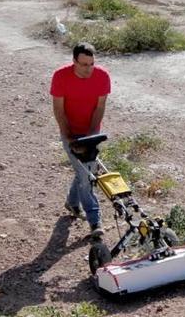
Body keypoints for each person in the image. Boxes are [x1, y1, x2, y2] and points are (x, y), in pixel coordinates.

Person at [50, 42, 111, 237]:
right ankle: (95, 221)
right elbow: (59, 109)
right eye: (84, 64)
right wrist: (69, 138)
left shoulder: (102, 76)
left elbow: (100, 107)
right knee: (86, 176)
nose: (88, 69)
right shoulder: (60, 76)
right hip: (69, 131)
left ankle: (72, 202)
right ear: (74, 61)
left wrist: (90, 136)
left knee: (85, 171)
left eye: (91, 64)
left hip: (90, 131)